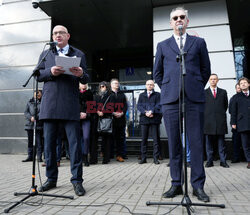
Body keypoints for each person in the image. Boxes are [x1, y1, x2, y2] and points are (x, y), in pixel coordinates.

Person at [153, 7, 211, 202]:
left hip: (194, 98)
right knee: (174, 143)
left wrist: (192, 86)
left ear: (187, 21)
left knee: (195, 143)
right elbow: (157, 73)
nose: (178, 20)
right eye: (175, 18)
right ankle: (176, 184)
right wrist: (170, 88)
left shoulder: (199, 42)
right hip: (170, 100)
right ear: (171, 23)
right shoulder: (162, 45)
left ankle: (197, 186)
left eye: (182, 17)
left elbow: (206, 70)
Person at [37, 25, 89, 196]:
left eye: (61, 33)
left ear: (68, 35)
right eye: (55, 33)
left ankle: (77, 181)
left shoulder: (79, 54)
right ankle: (51, 179)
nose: (57, 35)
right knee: (49, 145)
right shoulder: (46, 53)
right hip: (50, 105)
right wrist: (50, 72)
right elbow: (38, 75)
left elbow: (87, 76)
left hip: (69, 104)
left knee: (74, 145)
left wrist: (81, 73)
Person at [204, 74, 229, 168]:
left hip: (220, 121)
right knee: (208, 143)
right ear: (209, 81)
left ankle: (223, 161)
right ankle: (209, 161)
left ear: (217, 80)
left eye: (215, 79)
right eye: (211, 79)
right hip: (208, 122)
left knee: (221, 143)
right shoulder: (204, 92)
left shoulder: (223, 92)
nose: (213, 81)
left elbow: (225, 106)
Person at [137, 80, 162, 164]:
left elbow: (159, 105)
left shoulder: (158, 95)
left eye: (151, 85)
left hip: (154, 119)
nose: (149, 86)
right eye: (148, 84)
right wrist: (145, 112)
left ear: (153, 86)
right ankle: (143, 158)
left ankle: (156, 158)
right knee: (144, 140)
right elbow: (139, 106)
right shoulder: (141, 95)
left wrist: (152, 111)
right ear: (145, 85)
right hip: (144, 119)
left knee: (156, 140)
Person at [231, 77, 250, 169]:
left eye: (245, 82)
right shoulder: (236, 97)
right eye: (241, 83)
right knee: (245, 144)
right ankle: (249, 161)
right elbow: (233, 111)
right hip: (242, 123)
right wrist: (233, 123)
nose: (243, 84)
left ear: (248, 84)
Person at [95, 81, 113, 164]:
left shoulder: (110, 96)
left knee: (106, 140)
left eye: (103, 86)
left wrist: (103, 112)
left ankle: (106, 158)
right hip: (97, 119)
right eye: (100, 86)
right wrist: (97, 111)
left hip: (106, 119)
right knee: (99, 139)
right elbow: (93, 105)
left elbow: (112, 107)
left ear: (107, 87)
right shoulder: (97, 96)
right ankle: (99, 156)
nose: (102, 88)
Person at [110, 79, 128, 162]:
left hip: (121, 119)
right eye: (115, 83)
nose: (117, 84)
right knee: (111, 137)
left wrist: (122, 113)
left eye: (117, 83)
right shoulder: (108, 94)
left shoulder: (122, 94)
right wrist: (113, 113)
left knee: (121, 138)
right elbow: (106, 105)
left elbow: (125, 106)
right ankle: (110, 154)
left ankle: (120, 155)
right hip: (111, 119)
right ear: (111, 85)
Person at [23, 90, 43, 162]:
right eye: (36, 94)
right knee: (30, 141)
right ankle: (30, 156)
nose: (37, 96)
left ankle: (39, 157)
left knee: (38, 142)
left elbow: (43, 111)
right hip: (30, 125)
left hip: (38, 125)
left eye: (39, 95)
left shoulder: (43, 102)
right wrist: (30, 117)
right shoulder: (29, 102)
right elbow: (26, 112)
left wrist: (35, 117)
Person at [79, 83, 93, 167]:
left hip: (87, 118)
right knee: (77, 138)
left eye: (85, 83)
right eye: (82, 83)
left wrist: (86, 114)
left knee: (86, 137)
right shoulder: (75, 92)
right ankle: (79, 157)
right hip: (76, 118)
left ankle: (85, 156)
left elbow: (92, 106)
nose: (83, 85)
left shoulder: (89, 93)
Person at [229, 83, 242, 163]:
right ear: (236, 89)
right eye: (237, 88)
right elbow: (230, 110)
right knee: (236, 141)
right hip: (236, 123)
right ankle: (236, 157)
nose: (239, 89)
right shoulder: (233, 98)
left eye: (239, 87)